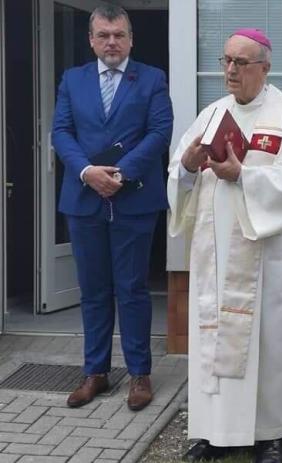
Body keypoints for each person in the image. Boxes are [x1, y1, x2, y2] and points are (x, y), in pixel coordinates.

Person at [168, 28, 282, 463]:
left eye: (241, 62)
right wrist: (190, 168)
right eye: (226, 60)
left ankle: (270, 436)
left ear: (264, 68)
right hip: (216, 255)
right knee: (214, 339)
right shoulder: (211, 114)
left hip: (268, 256)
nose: (230, 70)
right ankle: (214, 432)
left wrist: (243, 175)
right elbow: (180, 171)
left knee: (269, 345)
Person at [52, 5, 173, 411]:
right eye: (103, 35)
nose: (111, 42)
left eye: (118, 35)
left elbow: (159, 132)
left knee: (133, 289)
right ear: (91, 39)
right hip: (83, 199)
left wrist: (119, 174)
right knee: (94, 291)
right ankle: (96, 373)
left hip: (134, 198)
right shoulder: (73, 80)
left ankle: (139, 374)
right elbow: (61, 131)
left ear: (131, 38)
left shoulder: (152, 79)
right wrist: (88, 171)